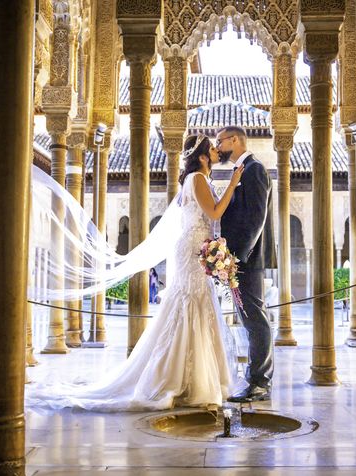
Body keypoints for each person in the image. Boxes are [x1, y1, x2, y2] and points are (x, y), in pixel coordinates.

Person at [27, 134, 244, 412]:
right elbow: (214, 213)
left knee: (196, 305)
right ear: (202, 156)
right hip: (192, 250)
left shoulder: (199, 180)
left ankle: (197, 377)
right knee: (190, 304)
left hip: (198, 247)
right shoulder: (197, 179)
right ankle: (179, 379)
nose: (217, 152)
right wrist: (233, 184)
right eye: (212, 149)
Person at [217, 125, 277, 402]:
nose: (218, 147)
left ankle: (259, 382)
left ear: (234, 140)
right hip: (241, 258)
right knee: (248, 317)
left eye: (220, 142)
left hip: (247, 260)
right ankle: (256, 379)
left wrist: (238, 257)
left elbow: (256, 217)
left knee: (255, 318)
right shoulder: (244, 170)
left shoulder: (255, 170)